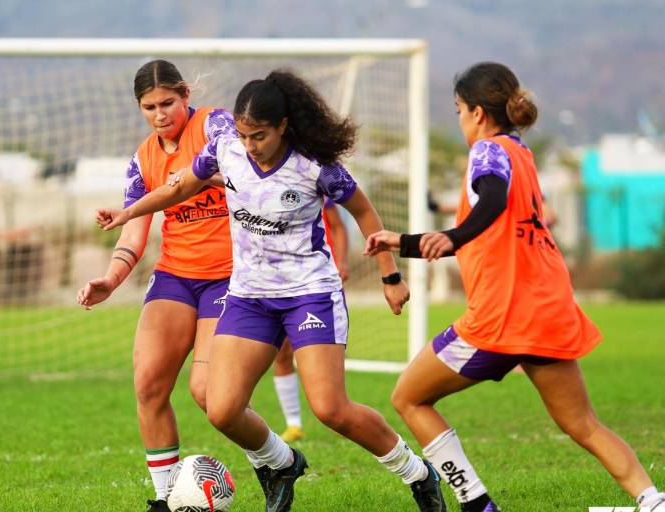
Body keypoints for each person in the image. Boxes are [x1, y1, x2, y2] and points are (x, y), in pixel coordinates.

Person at [96, 69, 447, 512]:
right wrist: (128, 215)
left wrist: (390, 276)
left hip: (309, 294)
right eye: (243, 135)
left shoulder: (315, 166)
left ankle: (416, 471)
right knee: (220, 408)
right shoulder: (225, 149)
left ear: (283, 126)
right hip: (249, 297)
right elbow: (179, 185)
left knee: (330, 409)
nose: (249, 146)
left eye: (258, 136)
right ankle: (281, 463)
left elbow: (366, 214)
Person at [364, 61, 665, 512]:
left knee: (408, 397)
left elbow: (491, 201)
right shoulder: (521, 153)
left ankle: (477, 505)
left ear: (479, 114)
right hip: (547, 308)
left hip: (500, 317)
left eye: (459, 110)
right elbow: (487, 226)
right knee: (583, 424)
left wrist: (454, 234)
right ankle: (651, 500)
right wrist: (403, 241)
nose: (460, 119)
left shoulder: (486, 152)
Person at [75, 60, 235, 512]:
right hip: (175, 276)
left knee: (207, 392)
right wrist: (111, 278)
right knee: (147, 384)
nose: (160, 114)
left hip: (230, 274)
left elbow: (243, 166)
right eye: (150, 107)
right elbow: (133, 231)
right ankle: (166, 498)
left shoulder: (215, 124)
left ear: (186, 95)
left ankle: (276, 459)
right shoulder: (143, 157)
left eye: (168, 103)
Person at [273, 197, 349, 443]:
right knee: (282, 354)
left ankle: (336, 408)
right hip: (278, 283)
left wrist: (342, 262)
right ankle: (293, 424)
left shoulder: (316, 185)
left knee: (322, 362)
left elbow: (337, 226)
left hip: (316, 281)